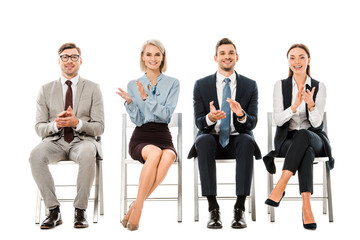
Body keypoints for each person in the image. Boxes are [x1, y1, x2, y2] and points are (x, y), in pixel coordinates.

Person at [29, 43, 104, 229]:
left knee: (88, 152)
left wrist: (76, 123)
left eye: (73, 57)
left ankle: (80, 211)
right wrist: (57, 124)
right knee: (35, 155)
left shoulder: (93, 88)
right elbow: (39, 128)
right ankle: (53, 211)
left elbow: (100, 127)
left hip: (82, 141)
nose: (69, 60)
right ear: (59, 60)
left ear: (80, 60)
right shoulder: (45, 90)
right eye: (65, 57)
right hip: (54, 141)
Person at [188, 38, 261, 229]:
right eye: (222, 53)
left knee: (247, 141)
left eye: (230, 53)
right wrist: (211, 118)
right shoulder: (201, 85)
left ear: (236, 57)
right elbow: (198, 122)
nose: (226, 57)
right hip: (211, 138)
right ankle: (213, 208)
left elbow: (253, 122)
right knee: (203, 141)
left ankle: (239, 209)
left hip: (238, 138)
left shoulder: (250, 85)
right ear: (215, 57)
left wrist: (241, 115)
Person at [263, 43, 334, 230]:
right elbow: (279, 121)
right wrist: (294, 106)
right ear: (288, 62)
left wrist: (311, 105)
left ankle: (280, 185)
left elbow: (317, 124)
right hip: (288, 141)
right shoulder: (280, 86)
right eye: (292, 57)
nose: (297, 61)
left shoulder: (319, 86)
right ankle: (307, 207)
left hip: (315, 137)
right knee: (306, 151)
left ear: (308, 60)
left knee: (305, 136)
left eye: (301, 57)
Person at [117, 39, 180, 231]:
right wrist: (130, 103)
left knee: (168, 155)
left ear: (162, 58)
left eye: (157, 54)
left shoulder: (173, 83)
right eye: (149, 54)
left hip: (163, 135)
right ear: (143, 58)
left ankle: (135, 205)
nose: (153, 58)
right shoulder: (133, 84)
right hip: (142, 136)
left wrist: (146, 97)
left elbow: (167, 115)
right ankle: (139, 209)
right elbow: (137, 120)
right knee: (154, 154)